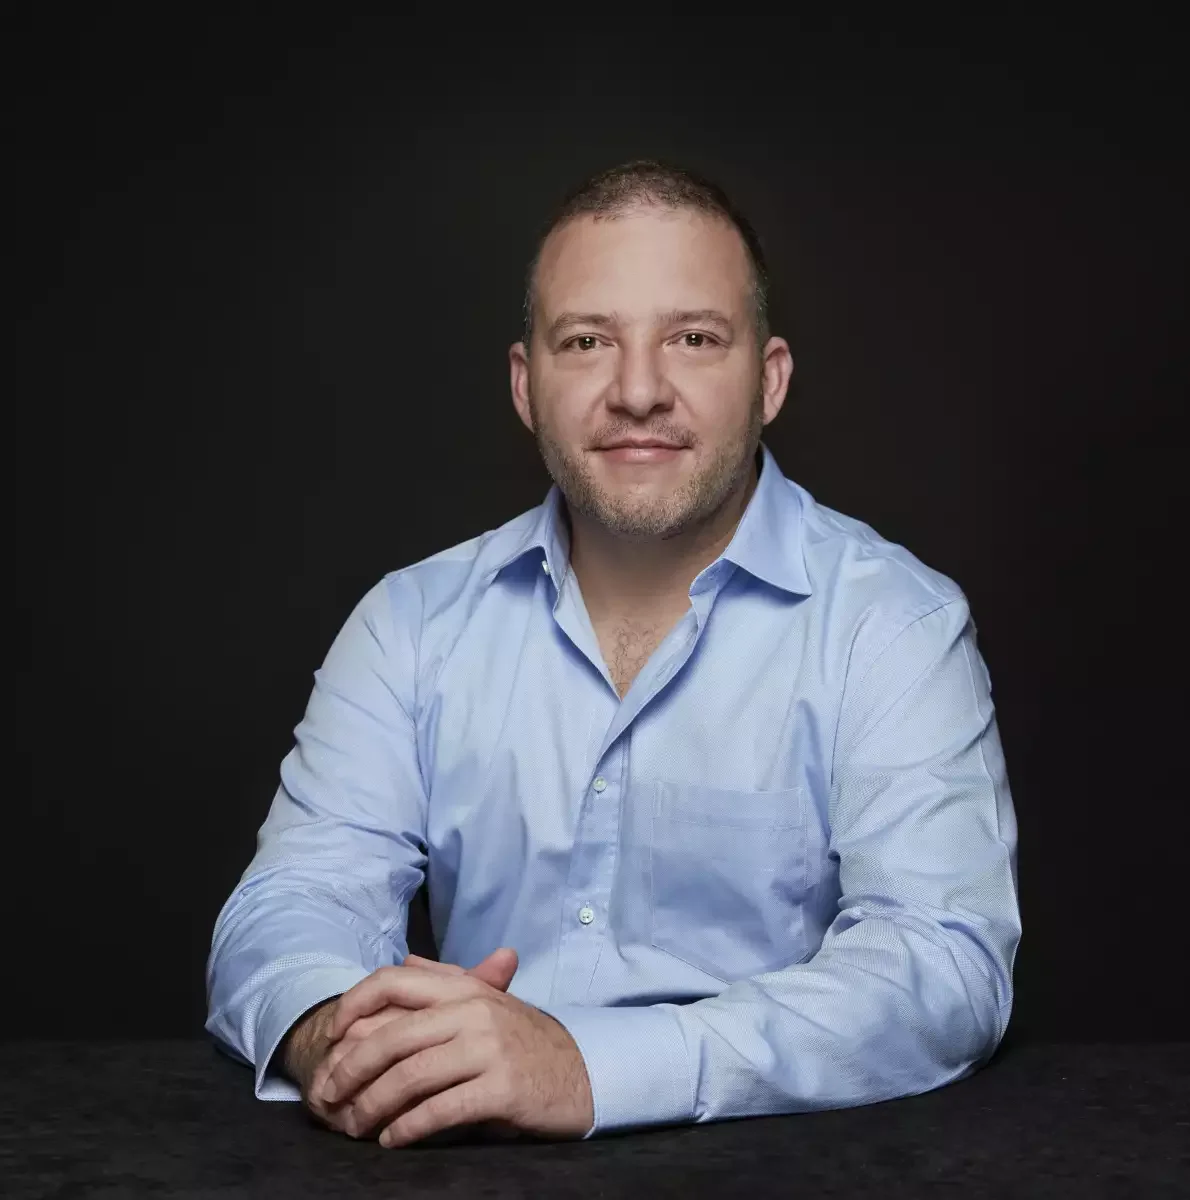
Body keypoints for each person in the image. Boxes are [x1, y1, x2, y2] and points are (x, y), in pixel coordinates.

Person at [205, 159, 1020, 1150]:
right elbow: (292, 901)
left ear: (769, 381)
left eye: (694, 339)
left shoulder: (892, 625)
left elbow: (947, 961)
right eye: (587, 340)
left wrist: (588, 1067)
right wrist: (346, 1035)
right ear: (525, 384)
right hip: (456, 1162)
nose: (639, 390)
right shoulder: (410, 622)